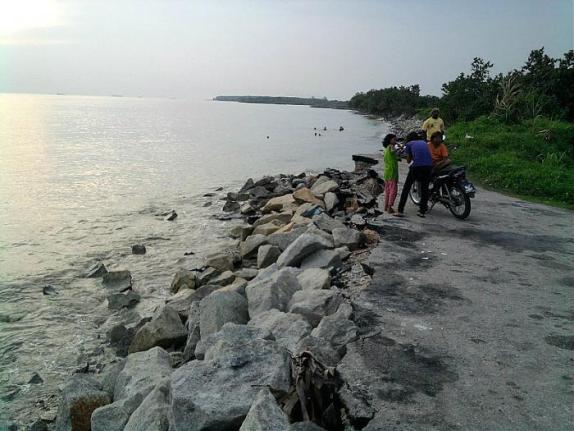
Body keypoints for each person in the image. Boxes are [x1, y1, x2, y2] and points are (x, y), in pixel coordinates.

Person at [395, 131, 433, 218]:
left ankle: (400, 210)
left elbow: (408, 160)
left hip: (417, 166)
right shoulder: (424, 142)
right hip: (429, 166)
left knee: (406, 187)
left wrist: (409, 159)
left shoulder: (409, 144)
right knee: (424, 189)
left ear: (409, 138)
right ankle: (422, 211)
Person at [382, 133, 399, 213]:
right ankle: (389, 207)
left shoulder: (385, 149)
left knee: (387, 190)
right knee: (393, 190)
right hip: (392, 172)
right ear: (390, 140)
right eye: (394, 139)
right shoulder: (391, 147)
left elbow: (390, 156)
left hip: (387, 171)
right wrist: (398, 148)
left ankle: (386, 206)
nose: (395, 141)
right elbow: (393, 151)